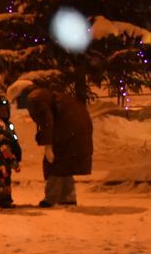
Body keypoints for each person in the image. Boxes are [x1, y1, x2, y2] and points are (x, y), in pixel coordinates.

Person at [7, 78, 94, 209]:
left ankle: (51, 199)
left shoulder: (34, 98)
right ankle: (67, 198)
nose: (17, 105)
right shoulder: (43, 94)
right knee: (66, 163)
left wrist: (48, 145)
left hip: (67, 129)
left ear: (21, 95)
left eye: (15, 100)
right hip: (79, 126)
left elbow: (47, 121)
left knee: (54, 164)